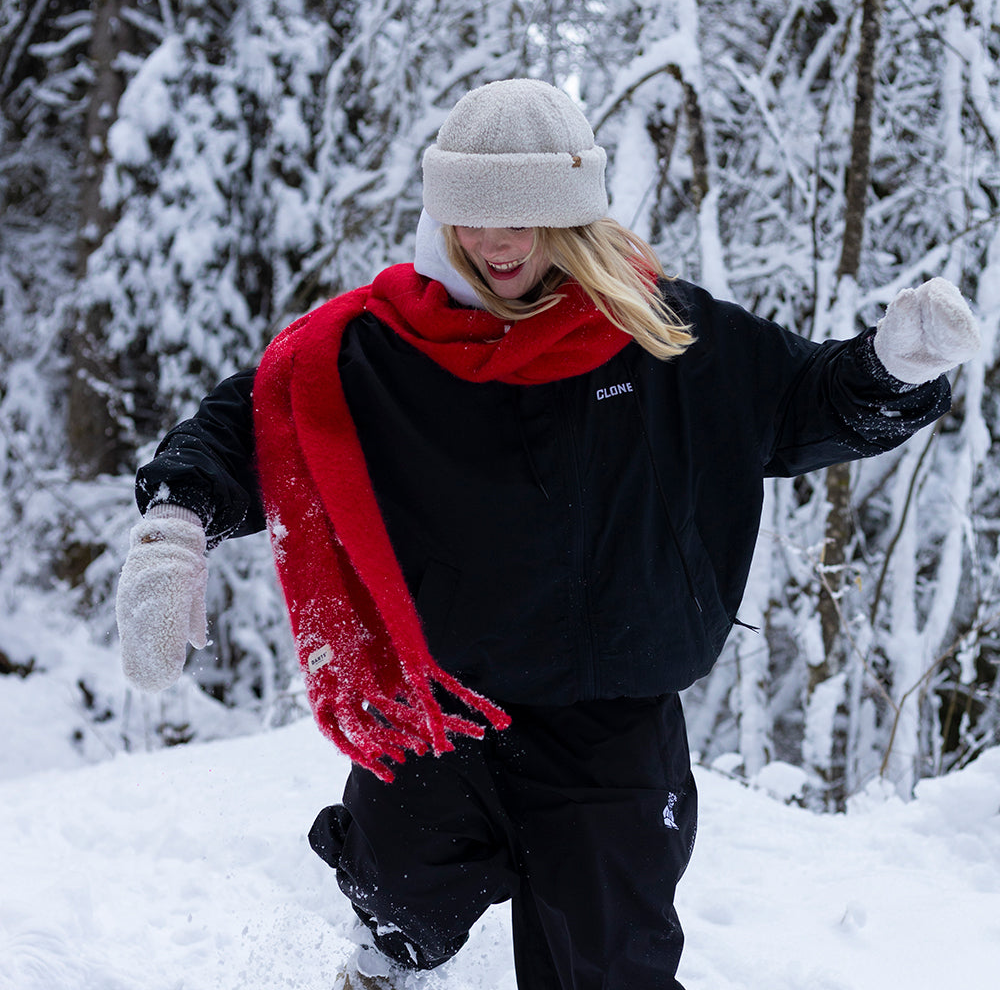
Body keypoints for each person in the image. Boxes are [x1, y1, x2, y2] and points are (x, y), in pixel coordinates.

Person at [115, 79, 981, 990]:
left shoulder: (666, 340)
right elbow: (256, 422)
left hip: (610, 726)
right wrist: (177, 525)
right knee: (398, 887)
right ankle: (389, 962)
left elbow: (806, 399)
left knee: (609, 967)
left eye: (528, 216)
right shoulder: (380, 353)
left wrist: (894, 365)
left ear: (574, 218)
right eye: (476, 215)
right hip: (443, 703)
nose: (499, 242)